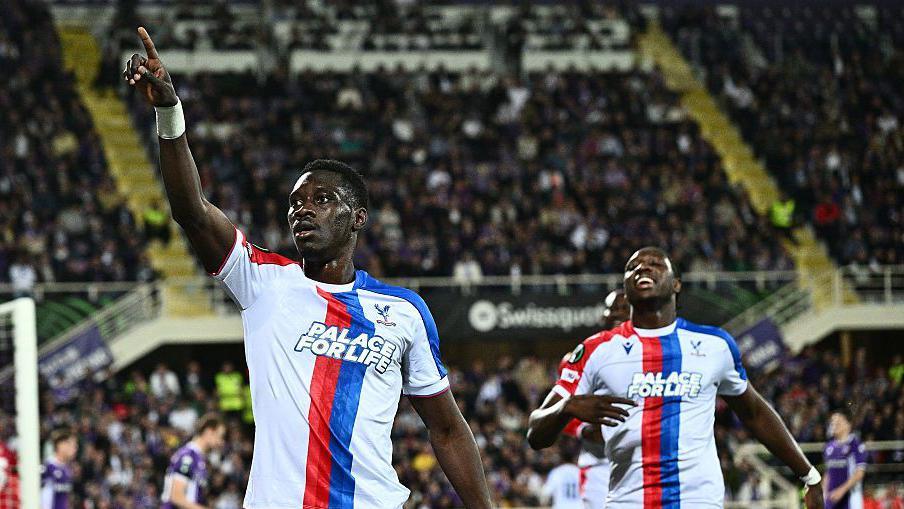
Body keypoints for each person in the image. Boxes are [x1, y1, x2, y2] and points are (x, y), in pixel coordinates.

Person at [124, 28, 492, 509]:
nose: (303, 210)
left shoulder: (403, 311)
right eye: (296, 203)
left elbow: (445, 428)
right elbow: (191, 209)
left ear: (357, 217)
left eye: (322, 200)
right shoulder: (262, 281)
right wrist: (169, 112)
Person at [527, 247, 824, 508]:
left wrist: (808, 475)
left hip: (698, 498)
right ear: (626, 288)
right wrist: (565, 407)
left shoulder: (715, 345)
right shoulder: (595, 351)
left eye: (655, 264)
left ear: (676, 284)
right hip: (627, 499)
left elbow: (755, 413)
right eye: (633, 267)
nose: (642, 268)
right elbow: (536, 433)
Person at [557, 289, 630, 509]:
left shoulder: (656, 352)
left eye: (624, 308)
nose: (617, 313)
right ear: (603, 316)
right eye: (612, 308)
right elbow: (559, 409)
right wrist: (582, 430)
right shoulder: (581, 356)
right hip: (599, 464)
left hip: (646, 460)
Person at [161, 414, 226, 509]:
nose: (221, 442)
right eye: (220, 436)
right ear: (209, 431)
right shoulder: (188, 457)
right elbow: (176, 497)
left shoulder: (200, 459)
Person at [824, 411, 867, 509]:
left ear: (848, 425)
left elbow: (859, 473)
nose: (834, 425)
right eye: (832, 422)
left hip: (850, 498)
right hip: (831, 499)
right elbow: (828, 473)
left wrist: (841, 490)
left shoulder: (855, 444)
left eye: (838, 422)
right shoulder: (829, 447)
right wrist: (824, 493)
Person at [41, 428, 77, 509]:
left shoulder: (67, 470)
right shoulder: (47, 468)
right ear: (61, 445)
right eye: (72, 445)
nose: (75, 449)